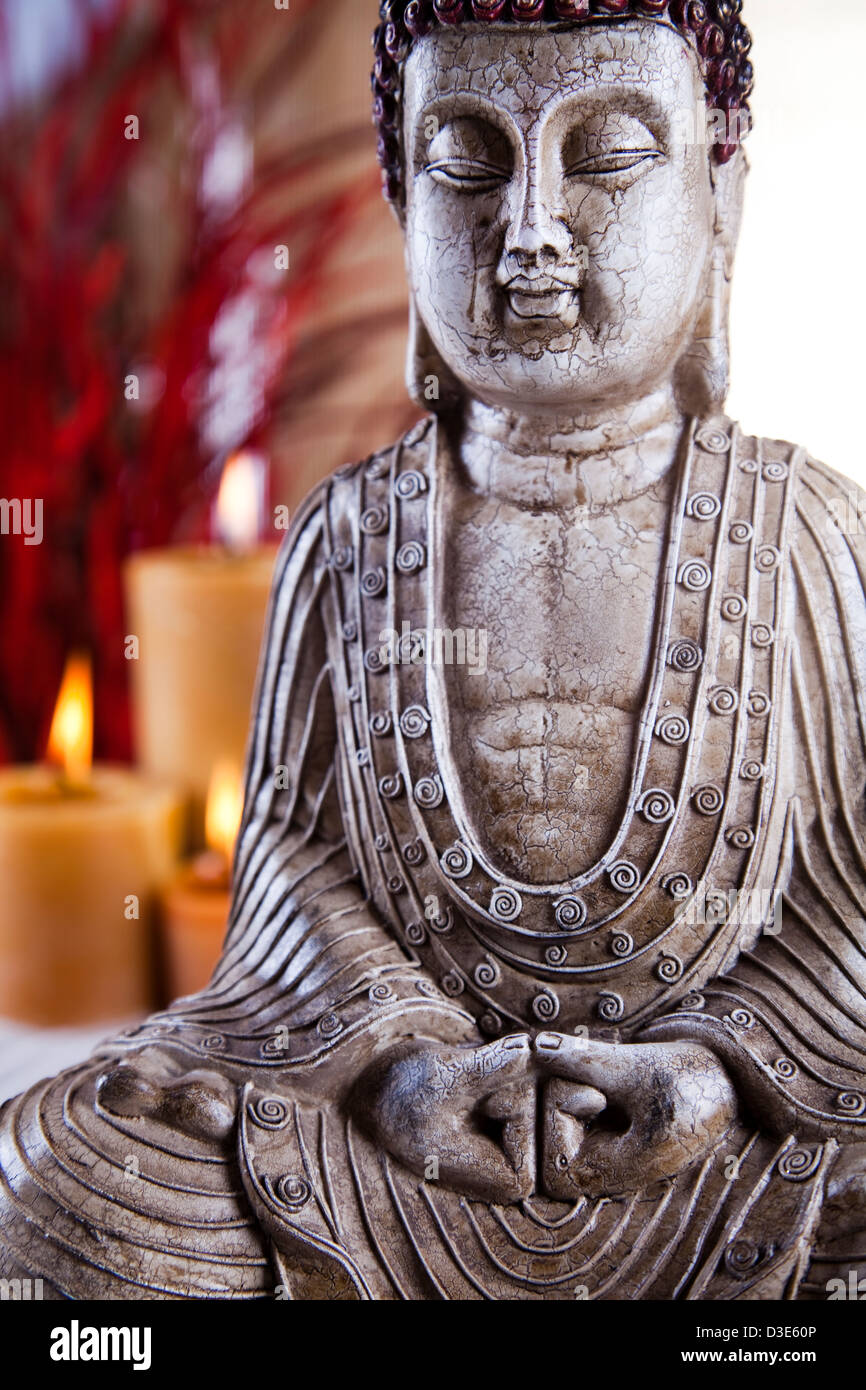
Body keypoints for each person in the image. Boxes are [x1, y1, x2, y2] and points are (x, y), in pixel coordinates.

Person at [2, 0, 865, 1300]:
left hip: (727, 1152)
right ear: (406, 204)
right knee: (67, 1163)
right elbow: (290, 864)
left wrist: (706, 1068)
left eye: (604, 154)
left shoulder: (811, 534)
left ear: (716, 194)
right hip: (394, 1143)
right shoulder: (347, 534)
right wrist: (400, 1073)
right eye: (466, 159)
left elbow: (854, 899)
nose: (526, 228)